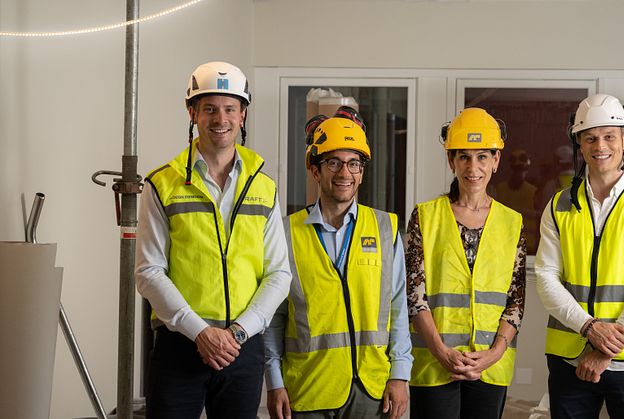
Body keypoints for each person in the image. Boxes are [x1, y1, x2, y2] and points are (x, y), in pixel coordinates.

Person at [135, 61, 291, 418]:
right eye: (209, 108)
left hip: (243, 347)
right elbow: (149, 271)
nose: (220, 118)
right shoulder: (162, 184)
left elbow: (279, 273)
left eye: (229, 108)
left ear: (243, 115)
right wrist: (200, 332)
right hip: (180, 345)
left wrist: (237, 332)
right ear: (192, 112)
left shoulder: (263, 187)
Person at [535, 93, 624, 418]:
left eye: (609, 136)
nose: (600, 146)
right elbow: (545, 277)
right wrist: (588, 328)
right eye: (590, 138)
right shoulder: (559, 205)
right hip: (569, 358)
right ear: (579, 145)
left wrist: (604, 349)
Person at [264, 113, 413, 419]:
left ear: (362, 172)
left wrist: (400, 372)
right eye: (333, 162)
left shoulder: (385, 228)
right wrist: (274, 382)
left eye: (354, 163)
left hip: (371, 390)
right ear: (314, 170)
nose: (345, 172)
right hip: (308, 389)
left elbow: (398, 306)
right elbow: (274, 318)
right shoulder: (286, 233)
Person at [406, 107, 526, 419]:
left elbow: (516, 300)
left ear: (496, 161)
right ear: (451, 161)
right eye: (464, 157)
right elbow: (414, 296)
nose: (473, 167)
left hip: (490, 365)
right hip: (435, 364)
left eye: (482, 156)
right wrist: (442, 353)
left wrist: (494, 353)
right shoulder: (425, 216)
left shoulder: (512, 222)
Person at [492, 149, 539, 253]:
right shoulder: (499, 189)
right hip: (503, 242)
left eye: (521, 170)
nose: (518, 174)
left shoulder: (533, 191)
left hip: (528, 245)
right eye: (516, 170)